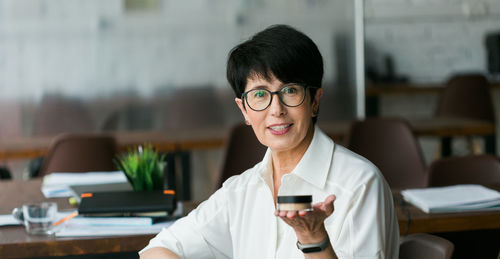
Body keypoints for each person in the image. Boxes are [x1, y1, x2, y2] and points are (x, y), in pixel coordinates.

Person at [140, 24, 399, 259]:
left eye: (290, 90)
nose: (276, 109)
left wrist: (313, 239)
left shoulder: (359, 184)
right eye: (260, 94)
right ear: (244, 111)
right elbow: (159, 249)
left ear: (315, 101)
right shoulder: (241, 190)